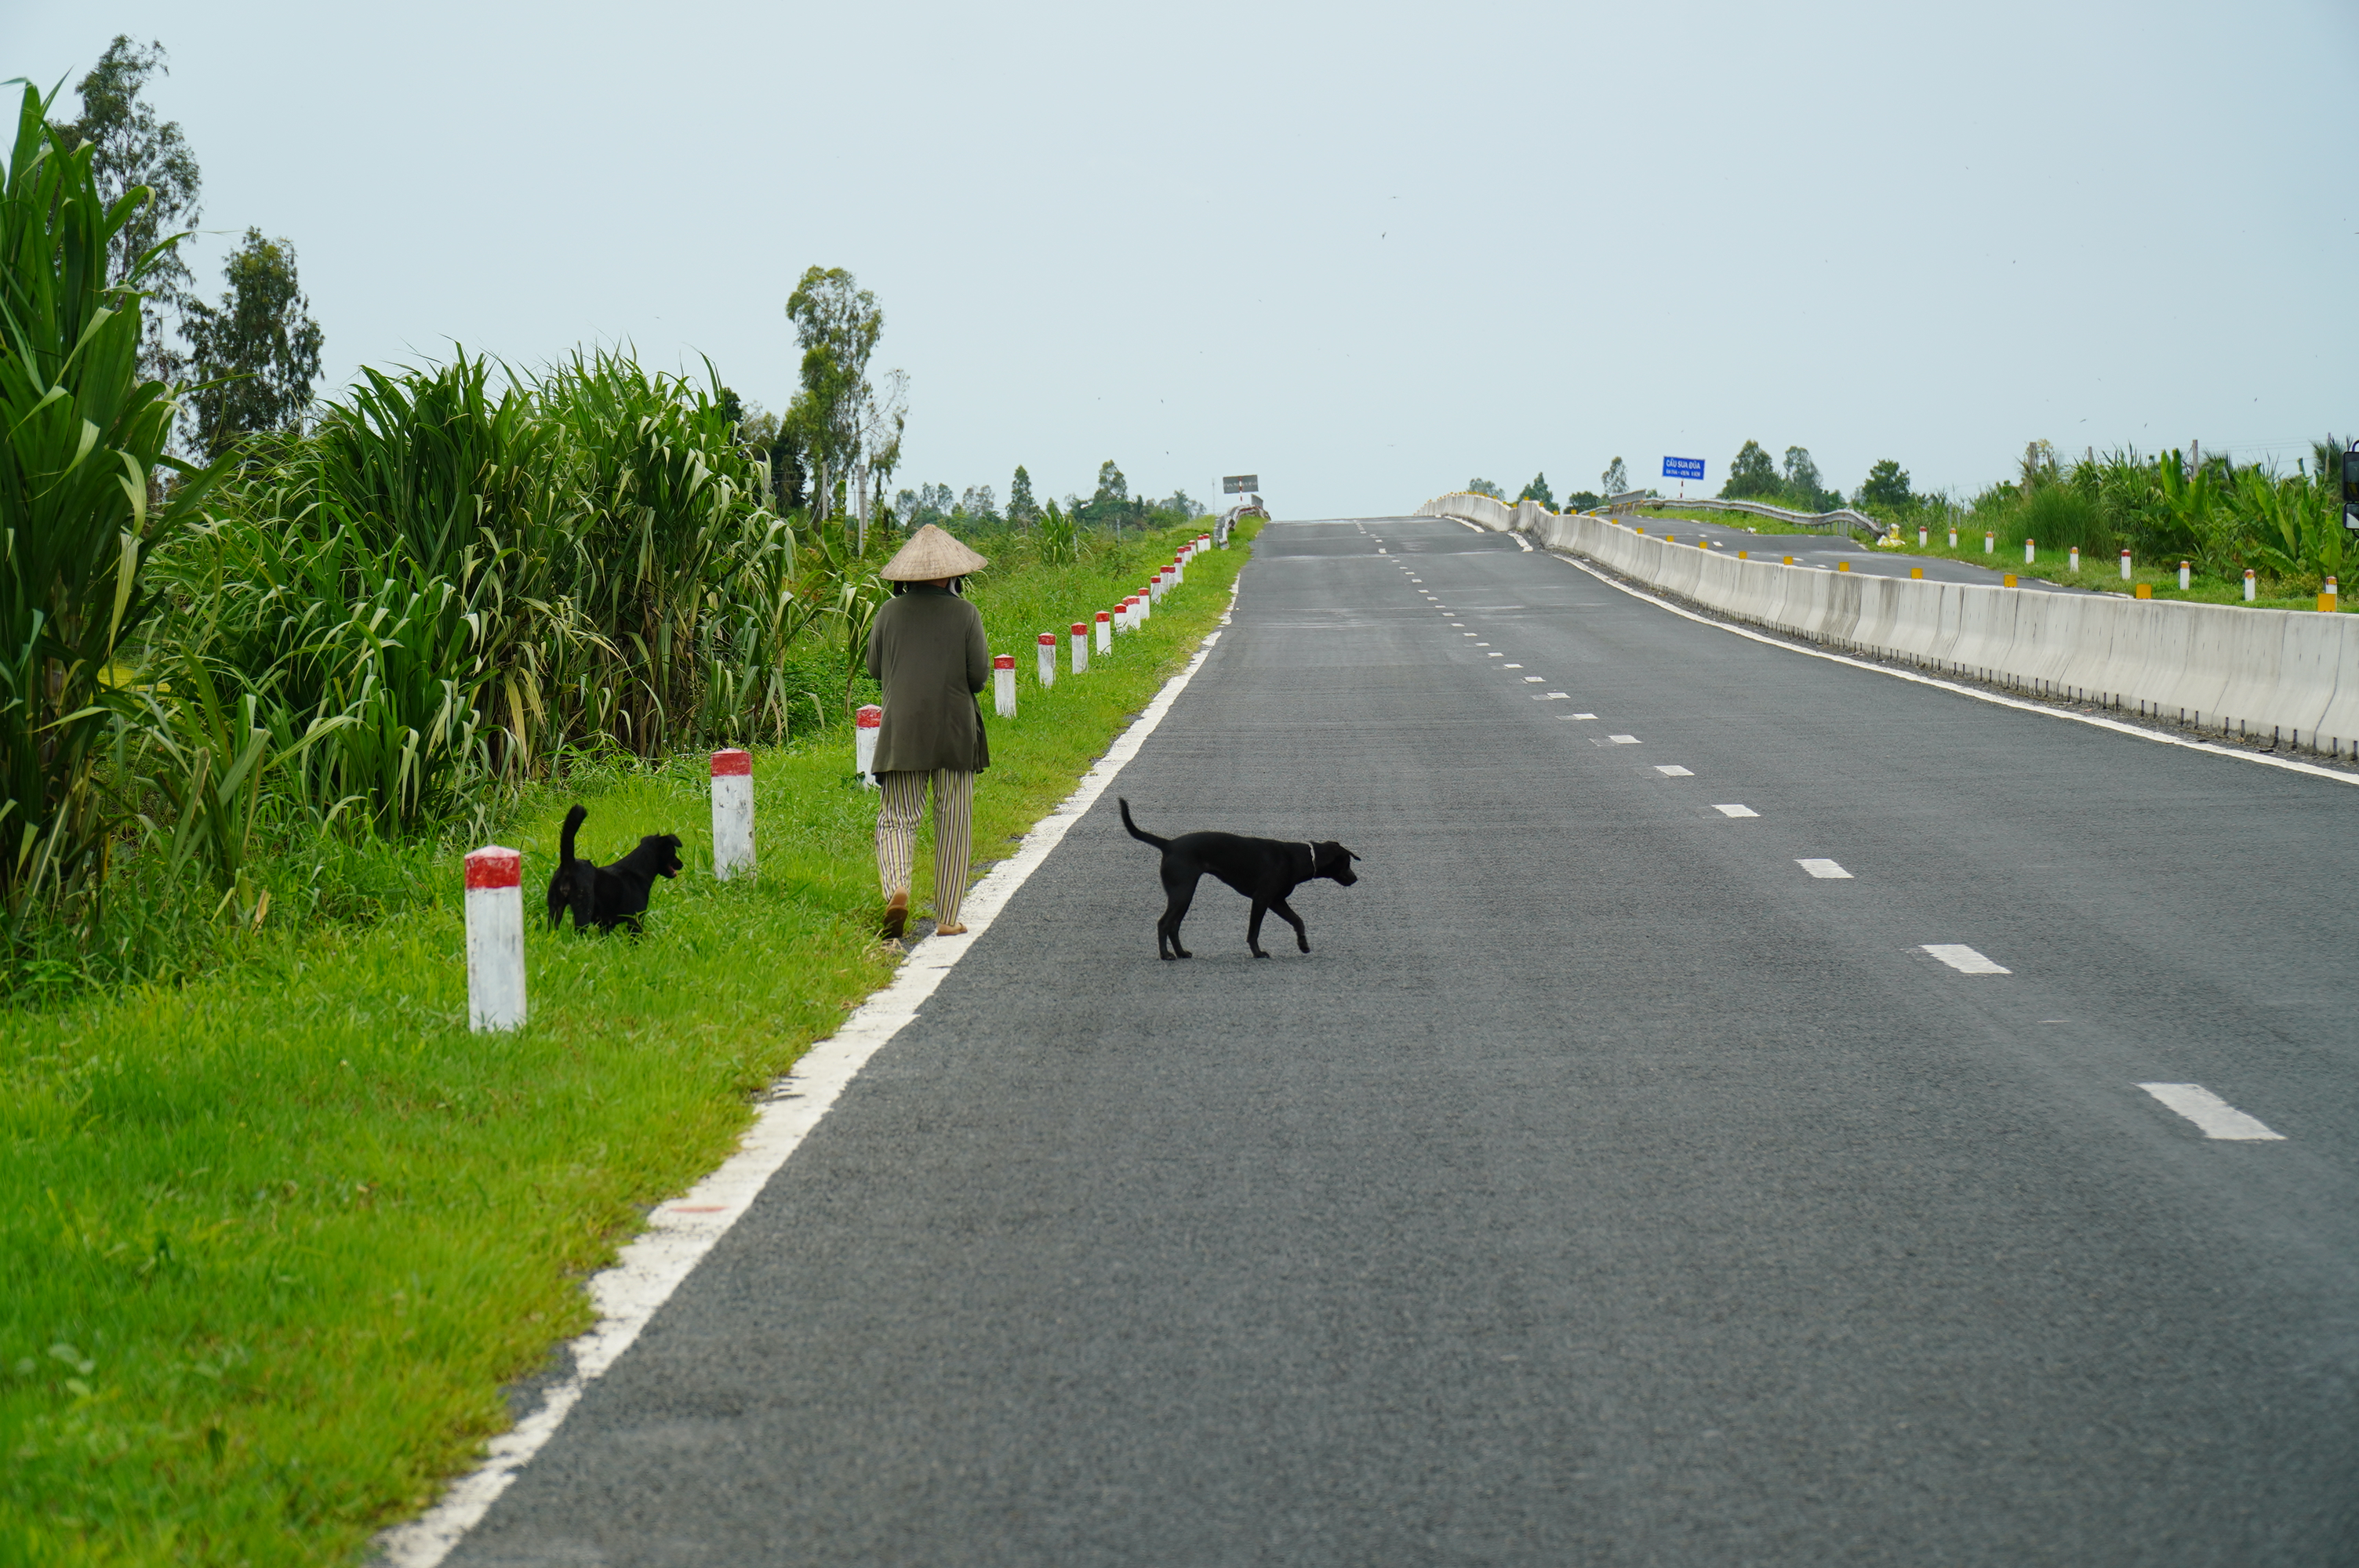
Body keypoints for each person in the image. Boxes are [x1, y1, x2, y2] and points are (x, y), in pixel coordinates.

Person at [866, 523, 991, 942]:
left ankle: (897, 888)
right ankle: (948, 916)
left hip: (902, 730)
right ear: (952, 574)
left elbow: (873, 669)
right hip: (954, 730)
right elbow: (978, 679)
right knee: (954, 821)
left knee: (898, 818)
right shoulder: (966, 613)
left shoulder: (887, 613)